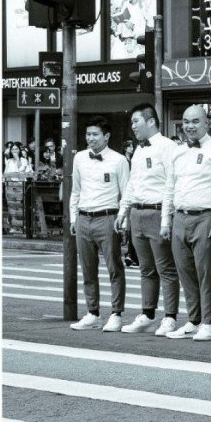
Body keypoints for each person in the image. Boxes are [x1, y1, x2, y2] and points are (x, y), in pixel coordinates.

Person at [163, 105, 211, 342]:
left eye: (195, 121)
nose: (190, 126)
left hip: (206, 216)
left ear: (206, 124)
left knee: (206, 273)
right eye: (186, 121)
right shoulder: (178, 152)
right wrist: (166, 220)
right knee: (185, 273)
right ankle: (193, 320)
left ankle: (209, 323)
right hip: (180, 217)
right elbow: (170, 187)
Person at [116, 103, 180, 336]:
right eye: (132, 122)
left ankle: (170, 316)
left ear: (151, 121)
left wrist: (166, 219)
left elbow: (171, 184)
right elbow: (133, 184)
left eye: (136, 121)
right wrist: (123, 212)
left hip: (157, 211)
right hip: (137, 212)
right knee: (145, 268)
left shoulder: (168, 147)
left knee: (166, 267)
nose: (133, 126)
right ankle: (148, 313)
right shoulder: (139, 150)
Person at [68, 116, 131, 332]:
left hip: (108, 217)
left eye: (95, 134)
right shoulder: (80, 159)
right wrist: (73, 218)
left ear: (107, 136)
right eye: (88, 135)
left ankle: (116, 313)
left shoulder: (119, 160)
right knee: (87, 269)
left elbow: (126, 192)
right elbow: (75, 190)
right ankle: (92, 312)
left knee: (114, 267)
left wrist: (122, 218)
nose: (90, 139)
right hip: (84, 217)